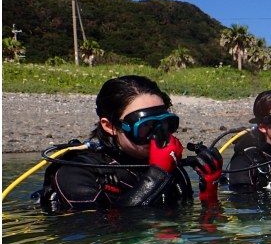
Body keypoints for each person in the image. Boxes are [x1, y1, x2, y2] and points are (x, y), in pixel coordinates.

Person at [40, 75, 222, 214]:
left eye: (166, 124)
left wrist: (209, 188)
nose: (158, 135)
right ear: (110, 126)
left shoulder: (171, 167)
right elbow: (97, 231)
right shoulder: (75, 171)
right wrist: (158, 175)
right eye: (145, 127)